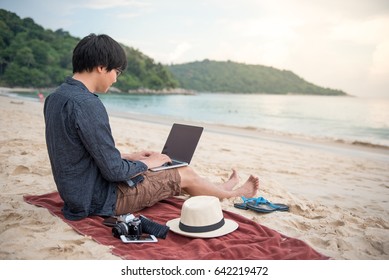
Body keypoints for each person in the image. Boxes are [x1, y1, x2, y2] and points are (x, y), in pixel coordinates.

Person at [44, 34, 259, 221]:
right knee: (184, 172)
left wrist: (131, 156)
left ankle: (221, 189)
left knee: (177, 170)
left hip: (76, 193)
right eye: (117, 72)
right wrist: (148, 163)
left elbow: (77, 150)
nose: (116, 79)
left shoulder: (55, 98)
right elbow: (114, 172)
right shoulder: (88, 104)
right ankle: (233, 194)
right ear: (101, 67)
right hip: (100, 199)